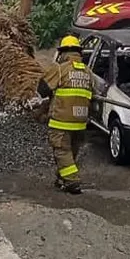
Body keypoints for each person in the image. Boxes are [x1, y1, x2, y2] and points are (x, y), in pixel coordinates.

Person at [38, 35, 94, 194]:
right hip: (81, 122)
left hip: (61, 121)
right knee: (71, 152)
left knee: (62, 150)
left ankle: (72, 182)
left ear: (62, 52)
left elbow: (42, 90)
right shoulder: (88, 72)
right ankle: (62, 177)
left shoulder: (60, 69)